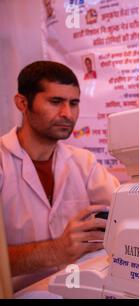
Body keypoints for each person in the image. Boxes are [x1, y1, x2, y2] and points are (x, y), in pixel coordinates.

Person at [0, 61, 119, 291]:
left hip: (77, 289)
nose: (67, 113)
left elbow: (125, 208)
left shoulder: (83, 162)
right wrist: (56, 250)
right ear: (22, 103)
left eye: (73, 103)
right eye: (55, 102)